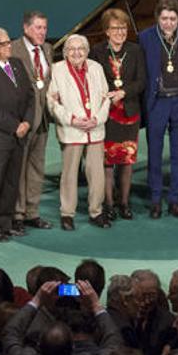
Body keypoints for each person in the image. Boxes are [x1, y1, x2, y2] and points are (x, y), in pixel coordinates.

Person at [47, 34, 112, 231]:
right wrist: (73, 120)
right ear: (65, 52)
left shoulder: (96, 67)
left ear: (87, 51)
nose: (77, 52)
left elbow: (105, 98)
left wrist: (97, 119)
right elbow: (52, 102)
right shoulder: (57, 70)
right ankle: (67, 214)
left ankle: (96, 211)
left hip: (95, 128)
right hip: (71, 130)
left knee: (97, 173)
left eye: (81, 48)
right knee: (69, 174)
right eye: (72, 49)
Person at [0, 26, 34, 242]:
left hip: (19, 136)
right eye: (4, 43)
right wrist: (15, 126)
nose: (9, 45)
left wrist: (27, 122)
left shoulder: (18, 65)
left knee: (11, 183)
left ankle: (5, 222)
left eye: (9, 41)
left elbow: (30, 96)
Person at [89, 9, 146, 221]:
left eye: (123, 28)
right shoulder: (97, 51)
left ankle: (124, 203)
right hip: (107, 115)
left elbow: (142, 81)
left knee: (126, 161)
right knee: (107, 163)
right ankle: (109, 204)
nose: (120, 32)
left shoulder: (136, 50)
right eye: (115, 28)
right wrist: (107, 95)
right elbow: (93, 80)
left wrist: (123, 92)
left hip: (129, 113)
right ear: (106, 31)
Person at [139, 0, 178, 219]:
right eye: (164, 18)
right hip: (157, 101)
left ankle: (175, 199)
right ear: (157, 18)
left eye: (172, 18)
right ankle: (155, 199)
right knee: (155, 152)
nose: (168, 23)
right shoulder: (145, 38)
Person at [9, 10, 54, 232]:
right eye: (38, 28)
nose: (42, 32)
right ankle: (16, 214)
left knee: (37, 167)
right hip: (23, 121)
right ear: (26, 28)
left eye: (44, 28)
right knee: (19, 168)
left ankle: (32, 212)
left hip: (43, 119)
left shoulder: (47, 49)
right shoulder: (13, 50)